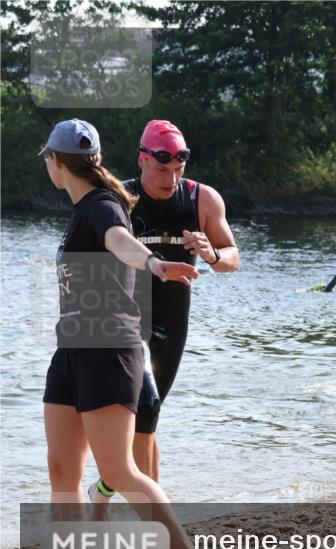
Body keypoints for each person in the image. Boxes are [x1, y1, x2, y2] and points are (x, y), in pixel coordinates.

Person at [40, 118, 202, 549]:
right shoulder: (82, 209)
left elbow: (120, 241)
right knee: (62, 471)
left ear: (55, 163)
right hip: (72, 350)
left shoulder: (102, 205)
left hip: (109, 349)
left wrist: (152, 262)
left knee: (122, 471)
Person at [89, 120, 240, 504]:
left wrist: (211, 254)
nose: (171, 179)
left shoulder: (202, 199)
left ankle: (106, 487)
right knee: (147, 408)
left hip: (173, 320)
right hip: (123, 317)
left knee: (147, 420)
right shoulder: (118, 198)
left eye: (178, 170)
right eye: (161, 169)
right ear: (142, 159)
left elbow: (232, 258)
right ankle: (156, 526)